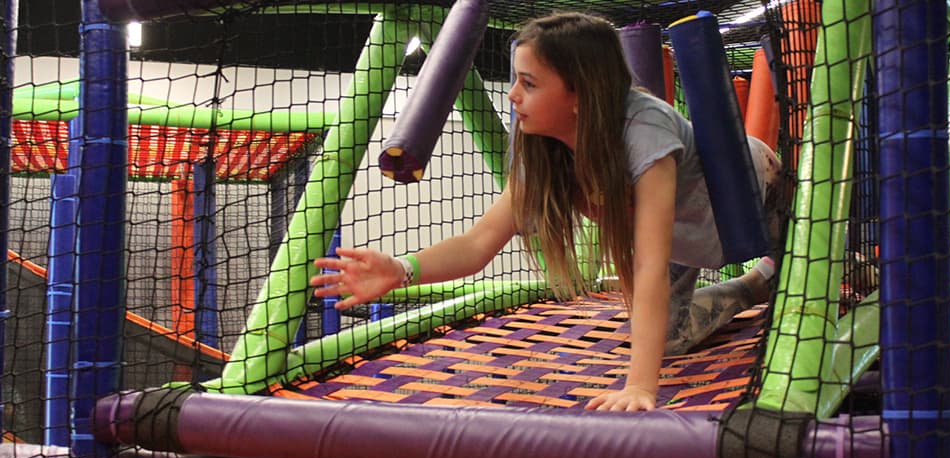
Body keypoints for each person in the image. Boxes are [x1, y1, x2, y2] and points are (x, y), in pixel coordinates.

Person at [312, 12, 786, 412]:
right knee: (666, 341)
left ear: (578, 93)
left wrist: (640, 386)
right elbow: (479, 243)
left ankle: (783, 261)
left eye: (529, 82)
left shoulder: (643, 130)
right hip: (677, 232)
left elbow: (649, 263)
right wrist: (400, 270)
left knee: (808, 277)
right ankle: (755, 283)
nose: (514, 94)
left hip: (754, 194)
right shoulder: (540, 146)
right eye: (516, 79)